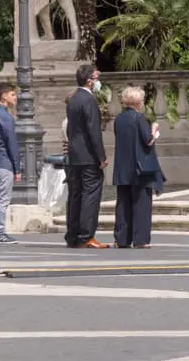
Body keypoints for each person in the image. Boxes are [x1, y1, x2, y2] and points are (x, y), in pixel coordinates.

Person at [112, 87, 166, 249]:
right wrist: (155, 129)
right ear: (138, 102)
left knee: (123, 203)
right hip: (139, 167)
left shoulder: (119, 119)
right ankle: (141, 239)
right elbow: (148, 140)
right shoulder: (140, 118)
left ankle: (122, 238)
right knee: (141, 203)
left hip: (122, 166)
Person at [65, 64, 109, 249]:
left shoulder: (73, 99)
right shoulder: (88, 101)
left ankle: (73, 235)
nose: (98, 81)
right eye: (96, 78)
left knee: (76, 194)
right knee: (90, 195)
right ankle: (86, 236)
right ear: (89, 81)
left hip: (75, 155)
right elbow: (93, 131)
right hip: (89, 156)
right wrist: (101, 156)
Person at [0, 83, 20, 244]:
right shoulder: (5, 116)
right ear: (4, 96)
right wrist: (17, 167)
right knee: (3, 199)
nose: (15, 97)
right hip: (4, 161)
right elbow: (11, 142)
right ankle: (0, 232)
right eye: (12, 94)